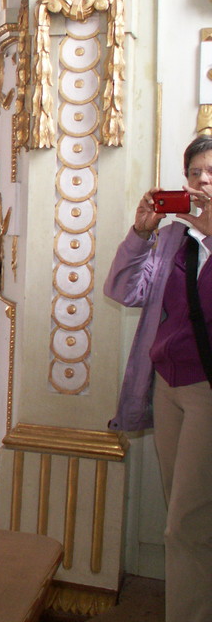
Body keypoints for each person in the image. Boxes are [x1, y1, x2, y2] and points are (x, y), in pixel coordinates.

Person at [104, 136, 212, 622]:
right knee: (186, 516)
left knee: (186, 525)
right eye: (195, 174)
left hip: (208, 393)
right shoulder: (173, 238)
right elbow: (124, 289)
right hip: (169, 387)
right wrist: (140, 232)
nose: (203, 181)